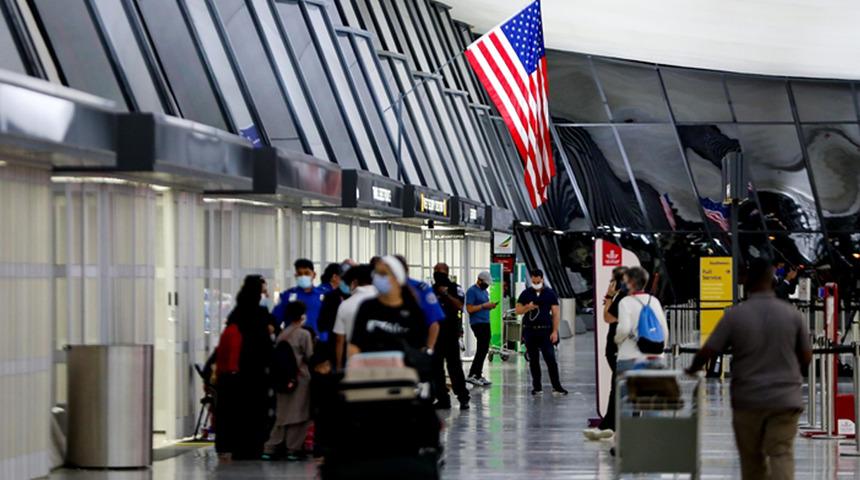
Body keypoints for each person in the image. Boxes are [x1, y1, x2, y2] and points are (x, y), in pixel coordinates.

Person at [686, 258, 811, 480]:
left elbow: (709, 350)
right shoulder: (793, 315)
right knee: (781, 453)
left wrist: (692, 369)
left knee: (752, 459)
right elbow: (806, 356)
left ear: (748, 283)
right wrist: (795, 374)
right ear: (772, 282)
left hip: (749, 399)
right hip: (785, 399)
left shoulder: (736, 315)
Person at [214, 275, 274, 461]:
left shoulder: (236, 313)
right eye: (264, 291)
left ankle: (231, 447)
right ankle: (252, 447)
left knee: (233, 411)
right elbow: (268, 339)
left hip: (235, 371)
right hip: (256, 371)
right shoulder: (262, 313)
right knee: (255, 411)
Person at [263, 301, 314, 461]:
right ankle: (293, 448)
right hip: (300, 380)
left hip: (282, 380)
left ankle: (270, 447)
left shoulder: (282, 334)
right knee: (300, 415)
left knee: (282, 414)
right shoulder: (303, 334)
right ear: (301, 315)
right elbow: (310, 357)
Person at [349, 256, 429, 356]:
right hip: (370, 369)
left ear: (397, 279)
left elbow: (419, 347)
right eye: (376, 273)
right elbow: (354, 344)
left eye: (383, 274)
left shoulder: (413, 311)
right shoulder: (367, 307)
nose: (377, 278)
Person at [584, 266, 628, 441]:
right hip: (616, 347)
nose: (610, 284)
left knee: (617, 386)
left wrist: (609, 297)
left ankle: (610, 425)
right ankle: (610, 424)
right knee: (616, 386)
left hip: (619, 348)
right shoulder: (622, 298)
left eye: (612, 281)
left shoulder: (622, 298)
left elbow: (608, 317)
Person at [515, 269, 568, 396]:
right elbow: (518, 310)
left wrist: (554, 331)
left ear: (542, 279)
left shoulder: (550, 294)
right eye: (533, 281)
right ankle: (537, 387)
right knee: (533, 360)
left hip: (545, 331)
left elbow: (555, 314)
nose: (536, 283)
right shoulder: (526, 293)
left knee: (550, 358)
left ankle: (557, 386)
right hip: (530, 331)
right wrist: (528, 307)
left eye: (538, 281)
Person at [613, 266, 668, 373]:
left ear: (631, 283)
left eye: (625, 281)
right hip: (655, 358)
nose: (623, 284)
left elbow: (624, 329)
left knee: (628, 389)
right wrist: (658, 349)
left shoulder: (625, 302)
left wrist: (617, 339)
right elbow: (664, 330)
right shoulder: (654, 301)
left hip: (630, 357)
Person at [432, 263, 470, 410]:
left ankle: (463, 397)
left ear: (446, 273)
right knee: (436, 369)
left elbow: (460, 306)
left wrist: (446, 294)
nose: (437, 275)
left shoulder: (455, 288)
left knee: (454, 367)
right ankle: (442, 398)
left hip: (451, 334)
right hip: (436, 335)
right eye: (435, 272)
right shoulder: (431, 290)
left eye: (440, 272)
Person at [333, 264, 377, 370]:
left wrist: (339, 367)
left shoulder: (345, 304)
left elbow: (339, 340)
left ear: (354, 282)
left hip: (355, 363)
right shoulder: (385, 301)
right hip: (383, 362)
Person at [395, 255, 441, 352]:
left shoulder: (420, 289)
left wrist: (428, 348)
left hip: (414, 347)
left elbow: (434, 322)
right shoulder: (378, 290)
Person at [274, 259, 325, 338]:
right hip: (294, 343)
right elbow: (276, 320)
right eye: (300, 274)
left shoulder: (324, 295)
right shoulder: (287, 296)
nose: (303, 276)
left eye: (307, 273)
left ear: (314, 275)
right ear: (296, 276)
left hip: (319, 343)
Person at [465, 271, 496, 387]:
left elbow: (484, 306)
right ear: (479, 280)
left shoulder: (484, 292)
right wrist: (483, 306)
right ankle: (473, 374)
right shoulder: (472, 291)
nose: (487, 285)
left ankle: (477, 374)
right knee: (481, 348)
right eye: (486, 283)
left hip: (486, 322)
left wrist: (490, 306)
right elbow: (470, 309)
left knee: (484, 349)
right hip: (477, 323)